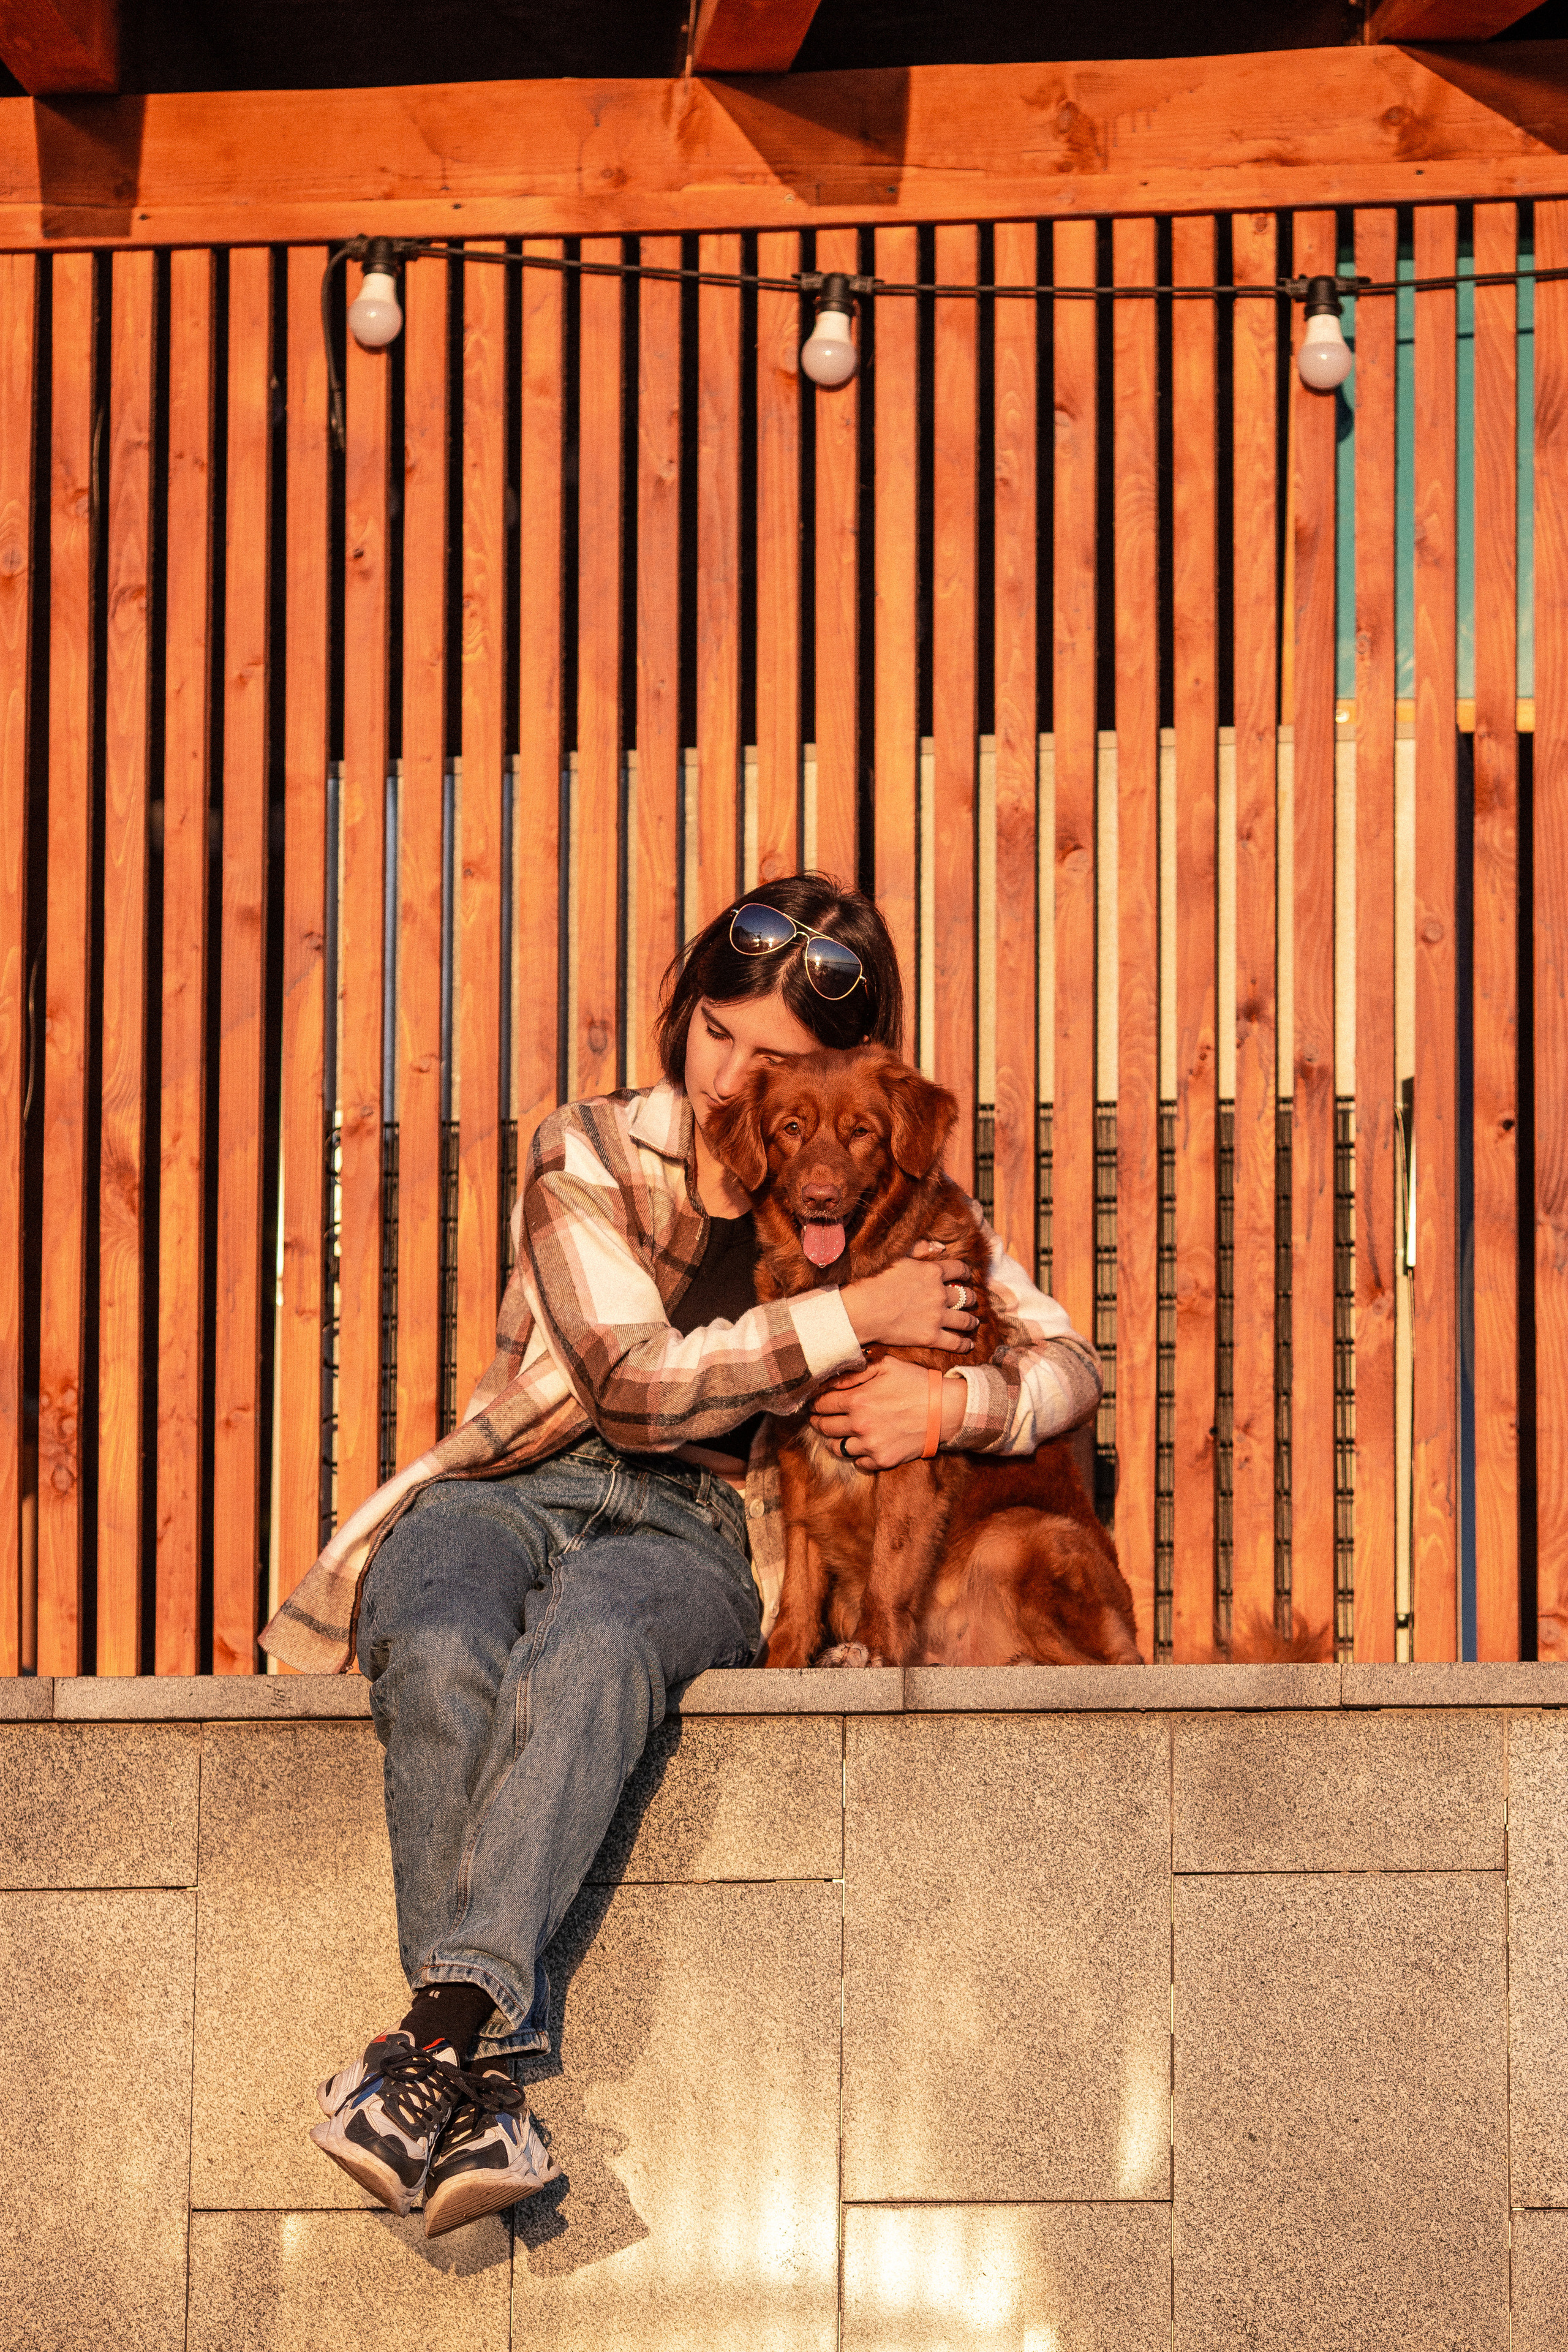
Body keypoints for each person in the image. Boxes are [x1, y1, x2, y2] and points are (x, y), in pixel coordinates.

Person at [261, 873, 1102, 2241]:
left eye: (775, 1061)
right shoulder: (585, 1148)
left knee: (594, 1650)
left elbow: (1067, 1363)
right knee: (435, 1636)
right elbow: (630, 1387)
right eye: (720, 1036)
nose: (734, 1081)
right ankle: (474, 2076)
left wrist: (954, 1404)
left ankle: (429, 2057)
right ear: (683, 1020)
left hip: (696, 1526)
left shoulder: (886, 1196)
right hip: (513, 1483)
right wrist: (849, 1320)